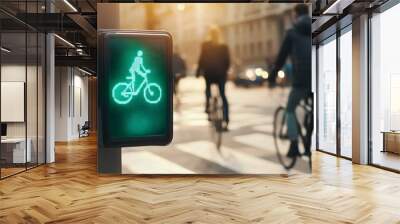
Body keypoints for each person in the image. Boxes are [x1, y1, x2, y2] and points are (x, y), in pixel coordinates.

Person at [270, 4, 312, 158]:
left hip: (301, 78)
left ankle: (294, 145)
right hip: (317, 77)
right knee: (313, 110)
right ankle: (309, 144)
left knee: (289, 109)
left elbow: (281, 57)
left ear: (295, 15)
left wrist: (272, 76)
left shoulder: (292, 32)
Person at [196, 25, 231, 130]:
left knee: (207, 89)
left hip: (209, 73)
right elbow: (228, 61)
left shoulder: (205, 45)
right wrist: (224, 70)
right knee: (223, 95)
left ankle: (207, 106)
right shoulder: (224, 46)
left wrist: (198, 71)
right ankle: (226, 118)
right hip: (221, 75)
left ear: (210, 35)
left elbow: (201, 59)